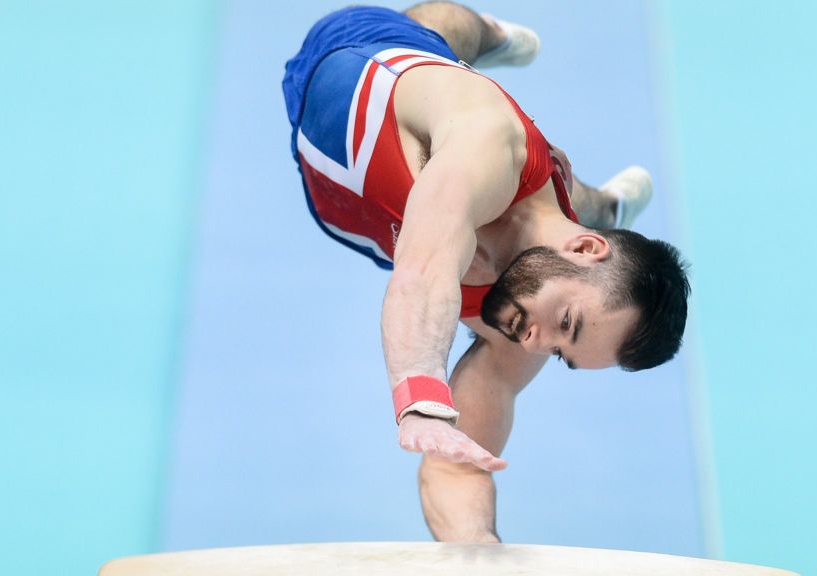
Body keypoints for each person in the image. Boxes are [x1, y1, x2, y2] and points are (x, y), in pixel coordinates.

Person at [282, 2, 690, 542]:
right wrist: (422, 404)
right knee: (440, 30)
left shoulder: (524, 332)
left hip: (338, 196)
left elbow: (457, 466)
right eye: (567, 323)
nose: (537, 342)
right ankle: (492, 36)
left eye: (562, 356)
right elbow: (423, 272)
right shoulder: (487, 142)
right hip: (356, 54)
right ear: (589, 251)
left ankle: (601, 209)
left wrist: (479, 551)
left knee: (557, 210)